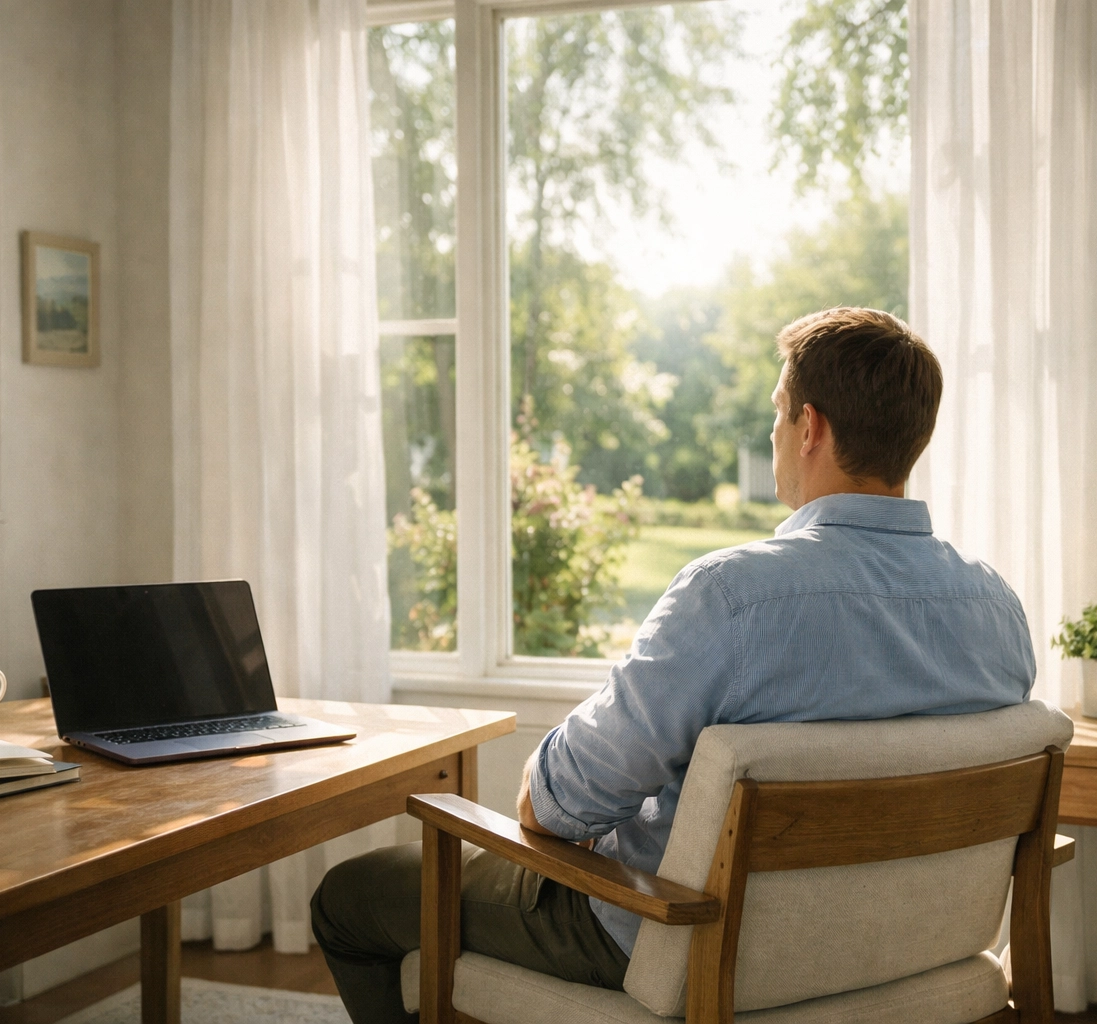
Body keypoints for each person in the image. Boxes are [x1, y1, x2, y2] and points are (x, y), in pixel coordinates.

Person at [310, 306, 1035, 1024]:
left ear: (809, 427)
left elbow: (559, 806)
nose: (776, 433)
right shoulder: (999, 610)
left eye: (778, 414)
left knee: (351, 898)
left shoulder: (731, 598)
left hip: (680, 941)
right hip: (907, 950)